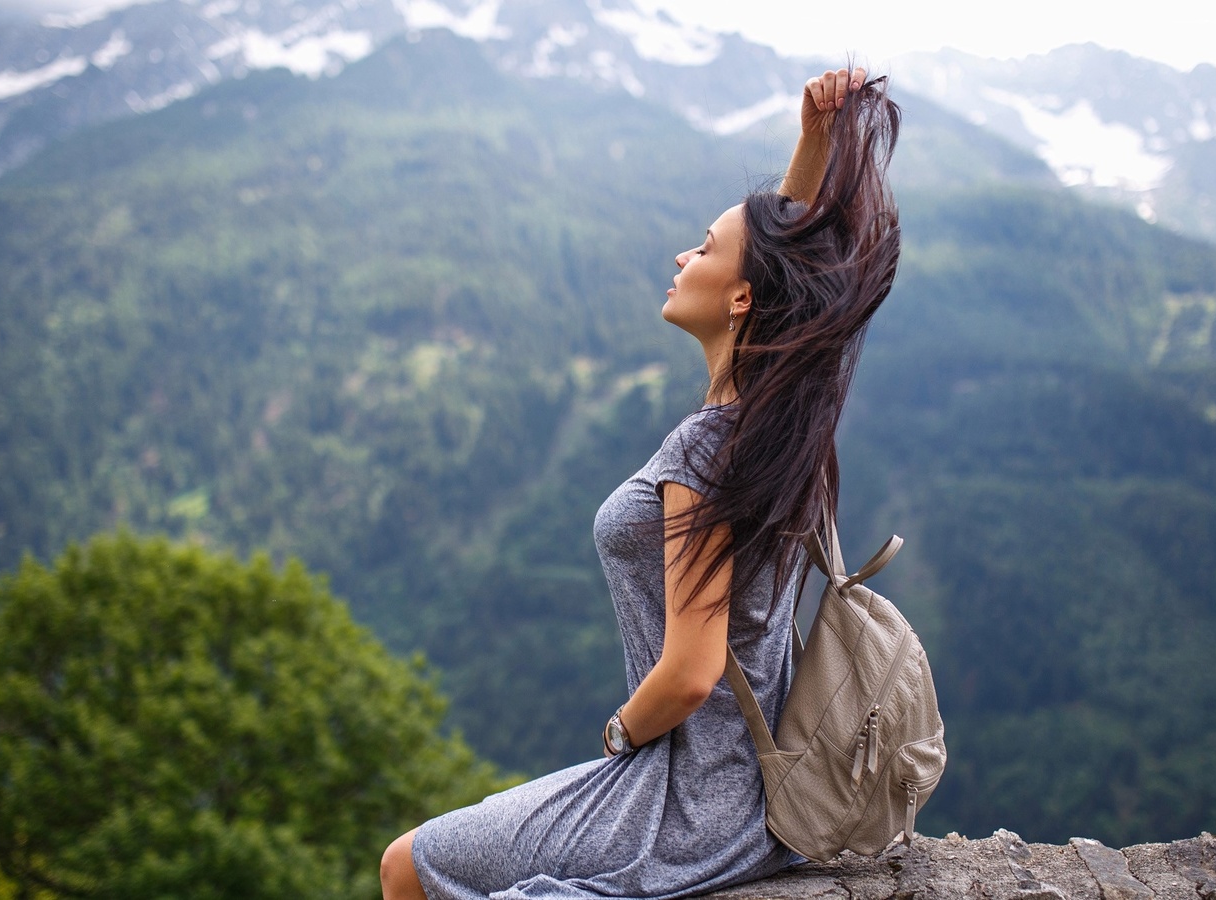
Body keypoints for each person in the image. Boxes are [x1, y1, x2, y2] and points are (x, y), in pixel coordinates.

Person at [380, 65, 902, 900]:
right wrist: (813, 147)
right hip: (754, 798)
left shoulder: (708, 450)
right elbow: (783, 271)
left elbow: (691, 674)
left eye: (703, 246)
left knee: (408, 864)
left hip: (687, 804)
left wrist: (621, 734)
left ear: (738, 299)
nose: (681, 254)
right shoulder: (774, 430)